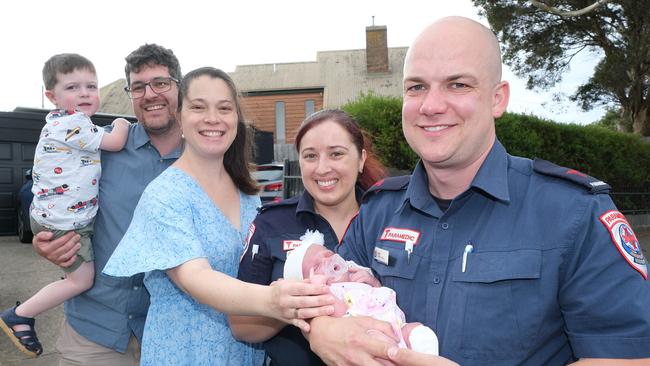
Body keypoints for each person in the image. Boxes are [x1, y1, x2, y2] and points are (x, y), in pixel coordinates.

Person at [306, 16, 650, 366]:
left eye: (457, 85)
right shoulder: (378, 212)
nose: (431, 105)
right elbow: (326, 294)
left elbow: (629, 357)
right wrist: (319, 329)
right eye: (416, 87)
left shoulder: (572, 213)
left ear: (497, 99)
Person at [102, 67, 333, 366]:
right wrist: (274, 301)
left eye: (224, 108)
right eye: (199, 107)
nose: (213, 118)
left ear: (236, 119)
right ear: (180, 116)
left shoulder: (247, 192)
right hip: (186, 353)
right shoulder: (164, 195)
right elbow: (195, 277)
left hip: (244, 351)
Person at [32, 44, 184, 366]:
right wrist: (47, 241)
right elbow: (55, 197)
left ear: (178, 87)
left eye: (161, 83)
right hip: (93, 335)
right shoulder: (94, 149)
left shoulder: (204, 158)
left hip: (173, 335)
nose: (150, 94)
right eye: (139, 86)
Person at [231, 108, 388, 366]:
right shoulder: (271, 223)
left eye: (336, 154)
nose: (322, 168)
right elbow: (241, 325)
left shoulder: (390, 221)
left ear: (361, 159)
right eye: (310, 156)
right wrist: (291, 305)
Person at [0, 53, 129, 358]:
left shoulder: (65, 124)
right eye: (72, 87)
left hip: (58, 217)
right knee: (81, 280)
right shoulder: (72, 124)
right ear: (51, 96)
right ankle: (20, 316)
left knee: (77, 276)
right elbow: (116, 142)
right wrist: (122, 123)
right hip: (63, 223)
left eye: (91, 85)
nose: (84, 93)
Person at [283, 229, 439, 361]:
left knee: (421, 333)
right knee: (382, 348)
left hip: (398, 328)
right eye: (316, 266)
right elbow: (338, 311)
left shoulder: (357, 275)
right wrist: (319, 288)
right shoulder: (331, 293)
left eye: (328, 254)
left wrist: (374, 283)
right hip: (368, 336)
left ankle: (427, 361)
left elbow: (383, 296)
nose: (327, 261)